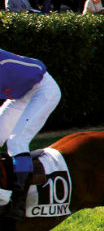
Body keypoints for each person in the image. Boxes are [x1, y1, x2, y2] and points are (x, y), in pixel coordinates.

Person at [0, 49, 61, 220]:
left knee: (16, 141)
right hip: (20, 96)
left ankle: (18, 200)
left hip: (43, 90)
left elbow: (38, 66)